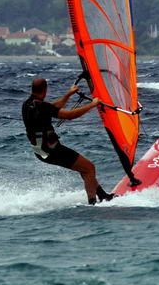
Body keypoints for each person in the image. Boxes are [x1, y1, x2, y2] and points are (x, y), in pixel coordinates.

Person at [22, 77, 115, 205]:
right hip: (51, 150)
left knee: (85, 168)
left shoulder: (28, 104)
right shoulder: (42, 106)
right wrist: (92, 105)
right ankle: (93, 204)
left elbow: (53, 107)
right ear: (45, 89)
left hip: (40, 151)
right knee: (89, 168)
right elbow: (69, 115)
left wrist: (69, 94)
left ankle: (103, 195)